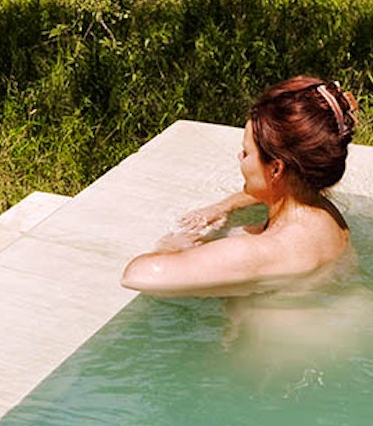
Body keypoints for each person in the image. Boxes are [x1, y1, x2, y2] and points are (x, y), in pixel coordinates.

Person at [121, 76, 359, 297]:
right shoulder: (322, 212)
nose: (239, 157)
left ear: (276, 169)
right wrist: (223, 207)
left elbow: (137, 275)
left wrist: (172, 247)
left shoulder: (268, 249)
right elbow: (275, 191)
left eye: (246, 152)